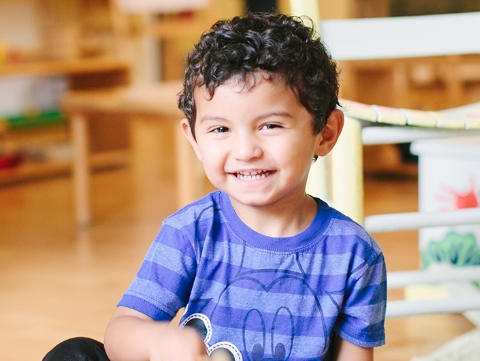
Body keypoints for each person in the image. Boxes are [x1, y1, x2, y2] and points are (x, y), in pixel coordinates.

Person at [43, 12, 386, 361]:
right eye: (220, 130)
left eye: (270, 125)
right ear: (194, 140)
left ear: (325, 133)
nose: (245, 151)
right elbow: (121, 331)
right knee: (76, 355)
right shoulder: (191, 231)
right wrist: (159, 342)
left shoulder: (355, 255)